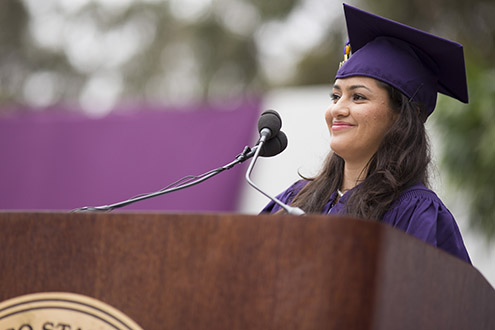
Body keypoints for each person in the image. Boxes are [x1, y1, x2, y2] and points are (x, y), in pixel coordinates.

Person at [261, 4, 471, 263]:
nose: (337, 109)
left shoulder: (416, 213)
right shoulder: (296, 198)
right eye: (335, 96)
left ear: (403, 116)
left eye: (358, 97)